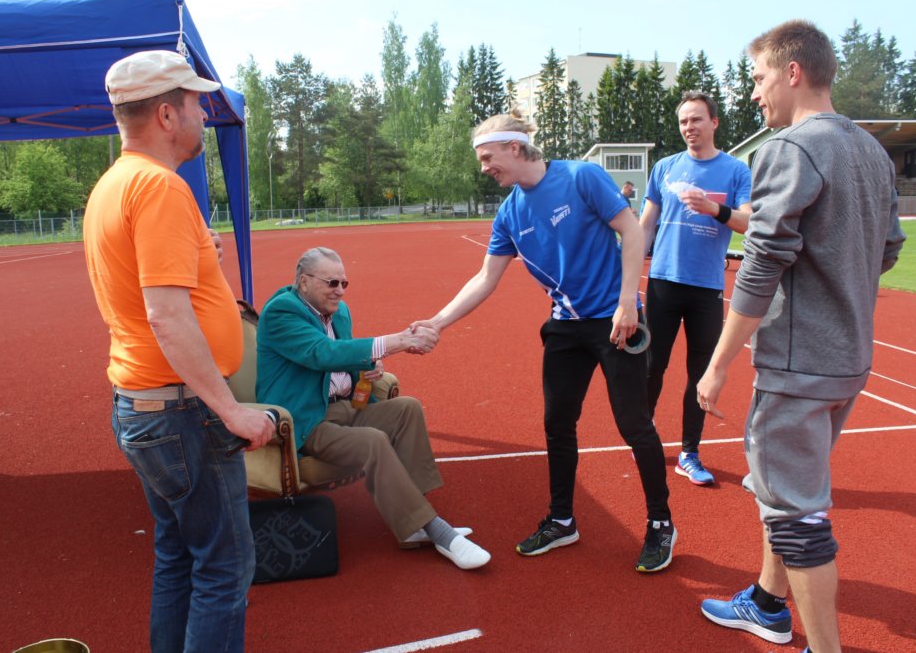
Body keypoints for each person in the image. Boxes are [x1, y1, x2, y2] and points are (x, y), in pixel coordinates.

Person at [695, 21, 905, 653]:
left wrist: (718, 363)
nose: (755, 94)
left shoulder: (787, 149)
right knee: (782, 490)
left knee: (794, 512)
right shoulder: (870, 150)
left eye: (759, 79)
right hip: (848, 358)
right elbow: (888, 249)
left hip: (799, 362)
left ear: (792, 73)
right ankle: (766, 603)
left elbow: (761, 264)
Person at [413, 112, 675, 573]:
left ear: (514, 147)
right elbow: (485, 277)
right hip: (565, 328)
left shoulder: (581, 176)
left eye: (486, 157)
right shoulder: (510, 212)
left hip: (616, 321)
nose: (483, 168)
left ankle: (660, 523)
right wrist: (437, 321)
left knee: (634, 425)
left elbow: (632, 231)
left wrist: (628, 303)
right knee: (557, 424)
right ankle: (561, 519)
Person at [83, 50, 275, 653]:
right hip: (182, 411)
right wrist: (232, 409)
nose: (203, 113)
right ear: (167, 114)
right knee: (224, 569)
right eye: (195, 103)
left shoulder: (117, 184)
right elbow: (167, 317)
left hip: (147, 406)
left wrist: (202, 262)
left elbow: (158, 294)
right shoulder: (158, 187)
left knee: (178, 559)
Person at [255, 247, 491, 570]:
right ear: (304, 281)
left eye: (344, 283)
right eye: (332, 282)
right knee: (373, 440)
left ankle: (417, 518)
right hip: (307, 420)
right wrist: (401, 341)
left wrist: (368, 368)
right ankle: (437, 531)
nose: (339, 290)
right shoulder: (282, 311)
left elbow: (343, 359)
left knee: (407, 409)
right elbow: (322, 353)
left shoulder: (339, 312)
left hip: (345, 405)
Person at [640, 91, 752, 486]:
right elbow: (646, 224)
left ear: (714, 123)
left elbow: (746, 222)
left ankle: (690, 451)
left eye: (697, 120)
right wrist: (627, 269)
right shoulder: (665, 168)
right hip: (663, 283)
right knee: (653, 365)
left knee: (699, 372)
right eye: (684, 121)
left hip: (705, 287)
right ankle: (644, 434)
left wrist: (713, 208)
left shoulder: (736, 171)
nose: (690, 127)